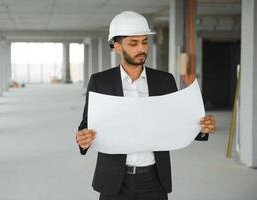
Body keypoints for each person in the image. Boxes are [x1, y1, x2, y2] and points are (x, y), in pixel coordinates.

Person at [76, 11, 216, 200]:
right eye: (133, 43)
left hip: (155, 179)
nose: (141, 48)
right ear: (117, 47)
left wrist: (202, 128)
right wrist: (83, 138)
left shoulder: (164, 81)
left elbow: (178, 122)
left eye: (144, 42)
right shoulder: (100, 82)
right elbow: (87, 125)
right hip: (114, 180)